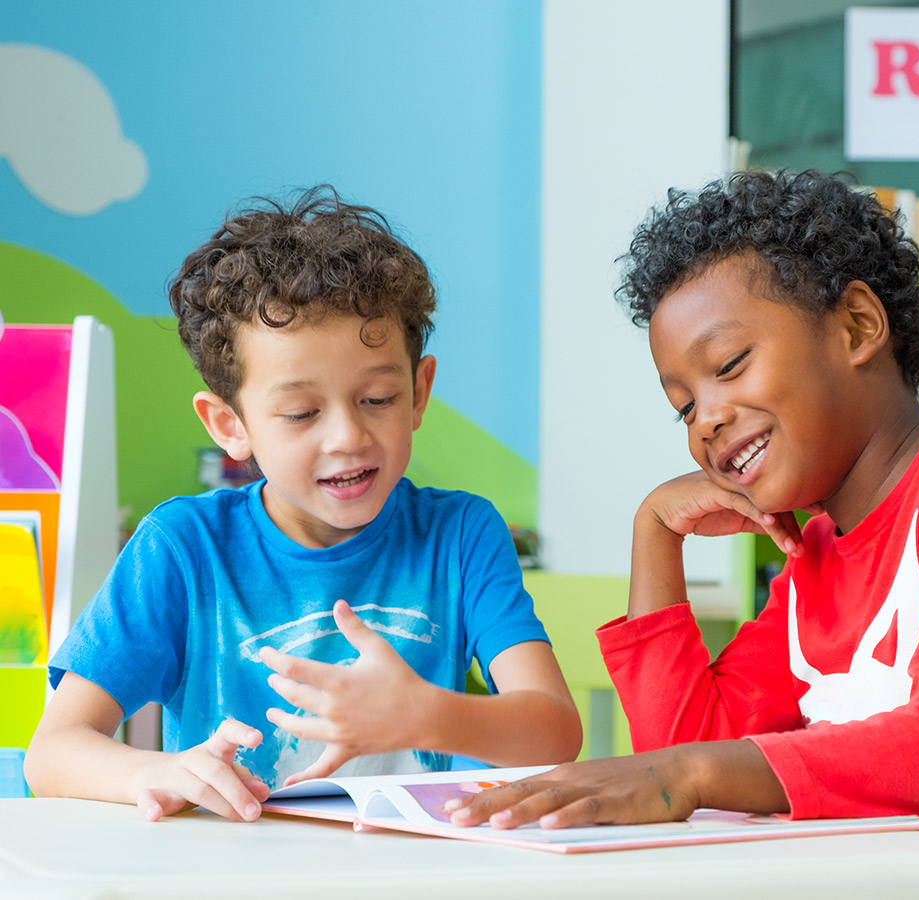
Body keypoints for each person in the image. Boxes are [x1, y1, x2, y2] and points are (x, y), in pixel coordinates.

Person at [446, 169, 919, 897]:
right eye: (683, 407)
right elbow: (685, 745)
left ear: (858, 326)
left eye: (730, 365)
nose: (706, 418)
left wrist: (687, 775)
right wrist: (654, 534)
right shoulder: (817, 558)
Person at [24, 186, 581, 823]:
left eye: (377, 398)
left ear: (420, 391)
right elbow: (53, 753)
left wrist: (424, 714)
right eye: (300, 413)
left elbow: (555, 732)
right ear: (230, 425)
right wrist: (156, 769)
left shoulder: (460, 534)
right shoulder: (181, 547)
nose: (347, 436)